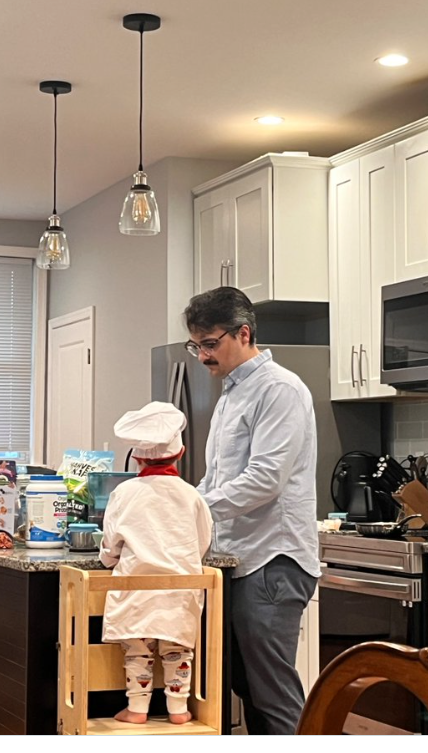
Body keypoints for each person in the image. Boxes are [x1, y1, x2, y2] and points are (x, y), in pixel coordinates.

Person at [183, 286, 321, 735]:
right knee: (245, 684)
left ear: (243, 334)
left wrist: (194, 506)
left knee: (271, 693)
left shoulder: (279, 390)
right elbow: (218, 479)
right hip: (240, 559)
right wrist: (183, 503)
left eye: (210, 343)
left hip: (272, 561)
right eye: (196, 345)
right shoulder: (232, 393)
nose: (202, 356)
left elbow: (265, 479)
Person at [99, 401, 213, 726]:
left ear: (137, 458)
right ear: (182, 453)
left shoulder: (124, 493)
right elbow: (202, 542)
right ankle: (178, 710)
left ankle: (137, 709)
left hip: (136, 590)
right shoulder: (192, 495)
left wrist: (108, 558)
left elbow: (110, 545)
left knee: (138, 651)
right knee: (178, 653)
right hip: (181, 592)